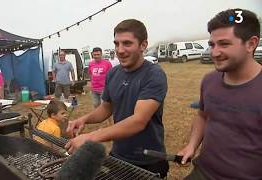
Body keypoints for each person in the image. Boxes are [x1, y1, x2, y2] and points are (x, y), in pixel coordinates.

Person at [65, 19, 169, 178]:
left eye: (127, 43)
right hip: (118, 155)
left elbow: (138, 121)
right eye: (117, 44)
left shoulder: (153, 75)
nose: (120, 50)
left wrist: (91, 137)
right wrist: (84, 119)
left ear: (143, 45)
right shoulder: (113, 73)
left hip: (148, 160)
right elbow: (106, 108)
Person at [178, 8, 262, 180]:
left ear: (251, 44)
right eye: (212, 44)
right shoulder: (209, 80)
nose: (214, 52)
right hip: (202, 173)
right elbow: (202, 115)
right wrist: (192, 146)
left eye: (224, 44)